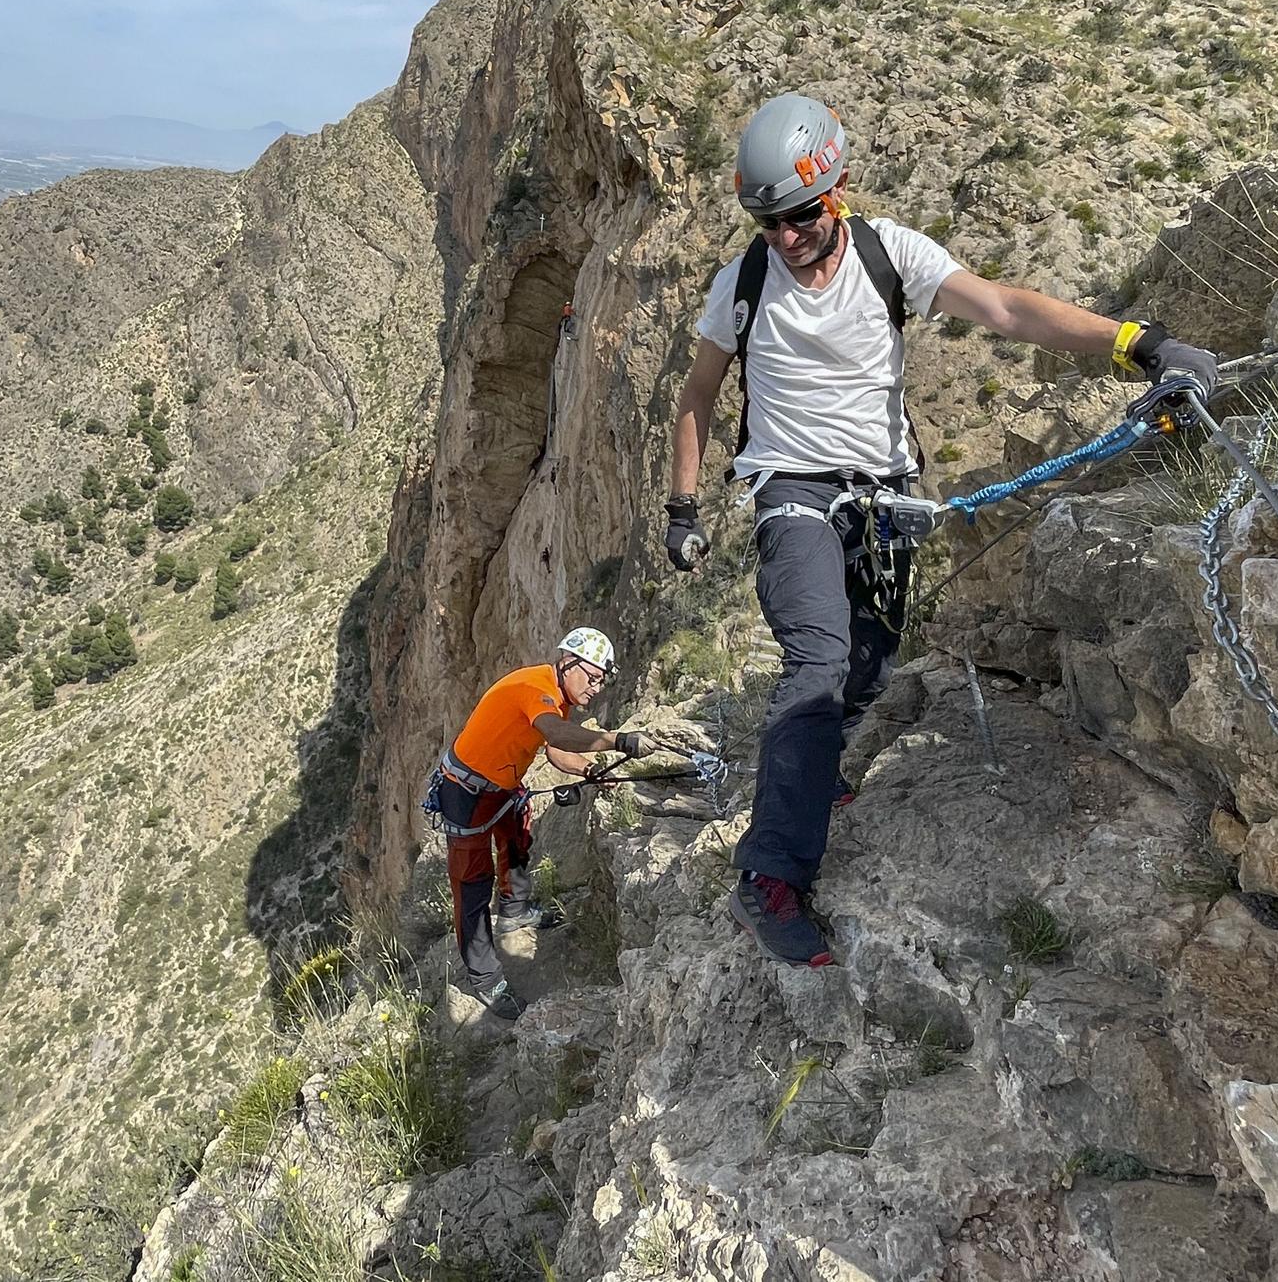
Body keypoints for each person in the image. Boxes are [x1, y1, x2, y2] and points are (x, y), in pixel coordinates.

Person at [664, 92, 1217, 968]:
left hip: (884, 492)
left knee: (869, 666)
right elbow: (698, 395)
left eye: (800, 216)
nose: (786, 237)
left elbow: (1004, 308)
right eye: (768, 223)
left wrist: (1137, 345)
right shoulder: (743, 284)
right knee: (814, 664)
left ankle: (813, 768)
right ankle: (767, 879)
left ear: (835, 190)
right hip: (792, 490)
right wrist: (684, 507)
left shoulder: (890, 254)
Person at [430, 627, 651, 1019]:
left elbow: (554, 749)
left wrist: (588, 769)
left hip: (499, 786)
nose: (597, 687)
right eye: (593, 676)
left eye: (602, 679)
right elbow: (555, 732)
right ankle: (484, 979)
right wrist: (616, 740)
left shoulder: (555, 696)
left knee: (517, 840)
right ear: (568, 663)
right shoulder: (536, 686)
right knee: (472, 882)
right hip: (466, 792)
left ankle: (515, 910)